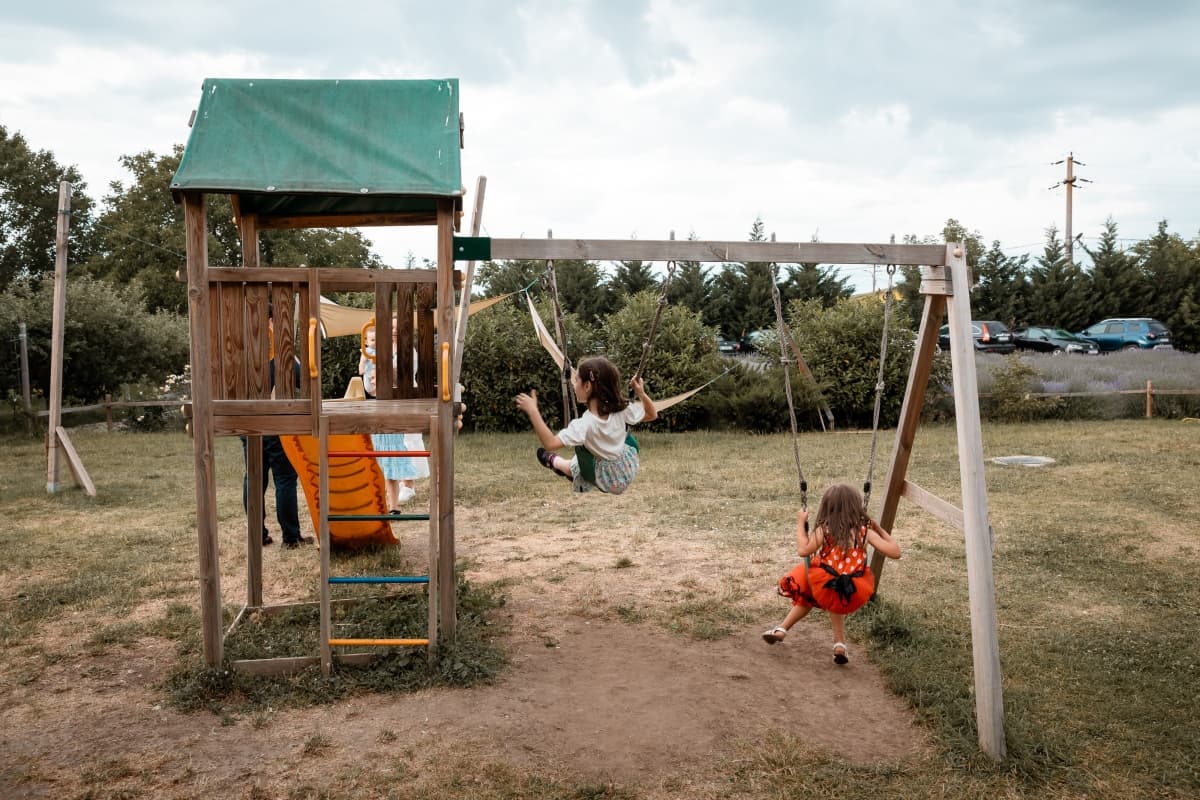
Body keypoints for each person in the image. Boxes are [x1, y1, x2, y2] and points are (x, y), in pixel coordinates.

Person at [761, 483, 901, 664]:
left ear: (827, 507)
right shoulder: (865, 532)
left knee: (812, 590)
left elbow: (803, 550)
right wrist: (879, 529)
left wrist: (800, 523)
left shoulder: (824, 530)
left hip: (823, 581)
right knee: (835, 595)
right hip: (854, 586)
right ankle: (838, 644)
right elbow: (895, 552)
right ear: (856, 506)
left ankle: (782, 629)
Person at [515, 356, 657, 494]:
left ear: (587, 386)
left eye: (576, 380)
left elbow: (551, 443)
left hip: (608, 480)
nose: (573, 384)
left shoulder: (584, 425)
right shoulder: (622, 410)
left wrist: (533, 411)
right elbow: (652, 414)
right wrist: (641, 393)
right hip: (627, 468)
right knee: (620, 437)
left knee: (582, 448)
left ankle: (555, 462)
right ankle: (557, 463)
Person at [367, 317, 428, 511]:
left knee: (408, 439)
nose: (393, 331)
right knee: (389, 441)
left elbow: (406, 374)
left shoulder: (408, 351)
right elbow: (370, 377)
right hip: (386, 399)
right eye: (390, 327)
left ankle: (408, 484)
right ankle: (395, 480)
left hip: (404, 397)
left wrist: (385, 374)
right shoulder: (381, 350)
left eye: (396, 328)